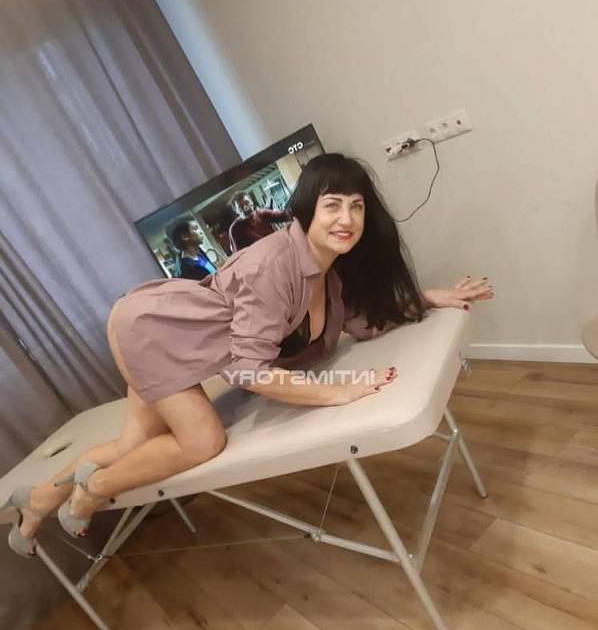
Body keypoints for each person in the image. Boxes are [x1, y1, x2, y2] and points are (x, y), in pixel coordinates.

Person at [2, 153, 493, 557]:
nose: (346, 219)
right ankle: (90, 492)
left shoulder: (330, 271)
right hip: (152, 330)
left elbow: (364, 321)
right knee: (202, 441)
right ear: (306, 209)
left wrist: (428, 297)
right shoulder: (274, 264)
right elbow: (247, 371)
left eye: (357, 207)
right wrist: (336, 392)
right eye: (332, 205)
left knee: (134, 440)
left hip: (163, 326)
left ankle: (38, 501)